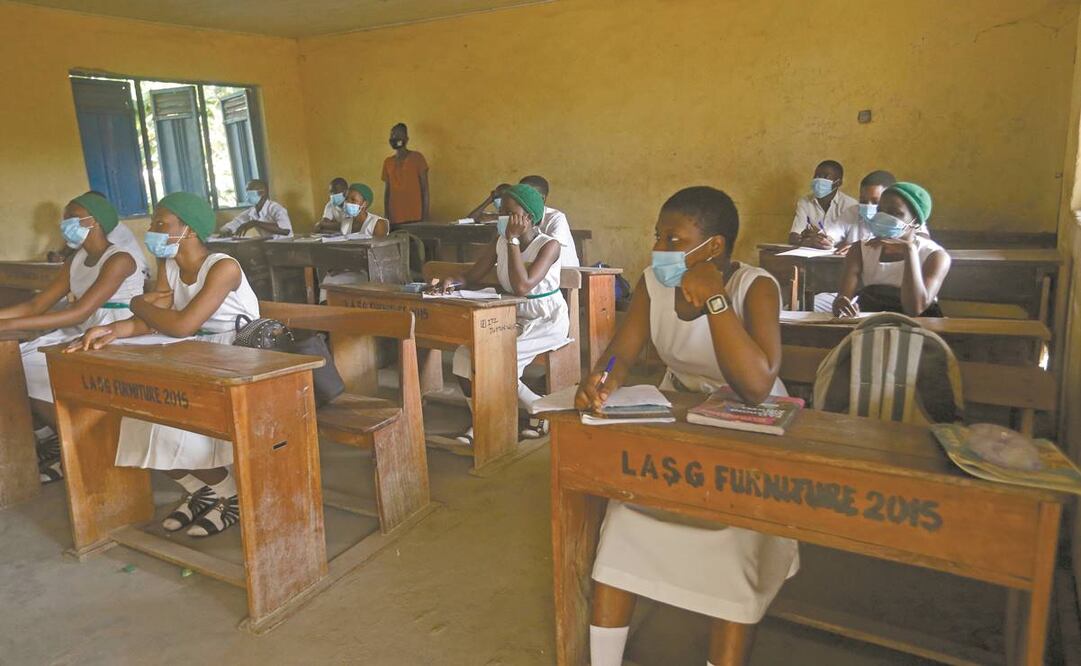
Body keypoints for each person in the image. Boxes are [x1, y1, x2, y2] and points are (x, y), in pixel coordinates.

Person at [575, 186, 797, 666]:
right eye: (657, 235)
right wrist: (601, 379)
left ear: (712, 246)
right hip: (680, 421)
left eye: (673, 238)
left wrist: (715, 300)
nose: (659, 248)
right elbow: (622, 351)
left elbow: (757, 385)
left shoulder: (754, 287)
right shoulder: (654, 283)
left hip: (749, 428)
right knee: (625, 524)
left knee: (733, 544)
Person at [67, 192, 260, 538]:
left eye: (161, 223)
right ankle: (200, 490)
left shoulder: (223, 267)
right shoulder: (170, 266)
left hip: (240, 357)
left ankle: (231, 495)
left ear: (190, 229)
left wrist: (139, 304)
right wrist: (111, 330)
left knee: (174, 423)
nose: (152, 229)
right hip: (195, 352)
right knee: (141, 416)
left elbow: (181, 323)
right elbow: (157, 321)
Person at [0, 193, 144, 482]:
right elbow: (35, 305)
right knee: (21, 360)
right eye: (65, 218)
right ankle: (61, 440)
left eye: (72, 217)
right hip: (84, 327)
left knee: (51, 365)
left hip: (116, 331)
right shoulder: (76, 259)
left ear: (95, 221)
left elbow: (79, 311)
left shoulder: (120, 259)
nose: (65, 224)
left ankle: (82, 447)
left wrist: (7, 325)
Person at [427, 184, 570, 441]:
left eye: (508, 211)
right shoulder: (500, 241)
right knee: (464, 357)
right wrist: (452, 282)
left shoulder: (549, 246)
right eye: (501, 210)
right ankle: (484, 420)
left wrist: (513, 240)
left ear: (527, 217)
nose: (501, 217)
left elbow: (522, 286)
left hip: (545, 319)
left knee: (497, 361)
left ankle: (519, 414)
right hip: (510, 315)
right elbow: (472, 275)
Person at [832, 182, 950, 318]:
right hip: (872, 325)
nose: (883, 217)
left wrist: (909, 251)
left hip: (919, 329)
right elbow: (841, 303)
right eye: (880, 210)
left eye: (895, 213)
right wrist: (843, 306)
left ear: (916, 222)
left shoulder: (935, 255)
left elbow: (915, 309)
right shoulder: (860, 250)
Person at [810, 170, 898, 311]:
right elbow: (831, 234)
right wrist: (824, 240)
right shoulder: (853, 212)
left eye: (875, 201)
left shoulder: (900, 218)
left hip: (888, 295)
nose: (868, 206)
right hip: (852, 290)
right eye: (863, 201)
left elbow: (920, 241)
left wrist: (860, 247)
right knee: (810, 306)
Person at [47, 191, 150, 281]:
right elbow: (71, 247)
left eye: (73, 217)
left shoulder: (115, 231)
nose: (66, 222)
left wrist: (65, 258)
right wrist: (61, 255)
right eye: (66, 218)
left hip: (137, 275)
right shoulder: (85, 234)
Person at [318, 183, 389, 301]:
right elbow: (343, 249)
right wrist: (340, 266)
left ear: (364, 204)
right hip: (350, 268)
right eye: (346, 199)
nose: (348, 202)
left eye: (353, 200)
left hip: (370, 271)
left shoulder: (378, 223)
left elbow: (378, 255)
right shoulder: (346, 222)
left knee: (337, 282)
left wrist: (348, 266)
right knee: (328, 280)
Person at [787, 160, 857, 249]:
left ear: (838, 183)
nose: (819, 180)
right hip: (810, 256)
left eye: (826, 177)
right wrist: (808, 241)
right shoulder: (805, 202)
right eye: (817, 176)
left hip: (840, 258)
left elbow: (854, 244)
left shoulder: (850, 206)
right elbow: (793, 237)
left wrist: (825, 241)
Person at [519, 175, 580, 267]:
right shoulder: (519, 217)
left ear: (542, 199)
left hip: (564, 274)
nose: (521, 200)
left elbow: (550, 251)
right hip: (534, 271)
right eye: (519, 195)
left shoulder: (556, 218)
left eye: (527, 196)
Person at [381, 123, 429, 225]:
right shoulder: (388, 162)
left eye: (398, 135)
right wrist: (386, 215)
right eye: (392, 136)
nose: (395, 138)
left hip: (415, 216)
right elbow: (387, 192)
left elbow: (425, 190)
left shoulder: (417, 158)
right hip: (394, 218)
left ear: (406, 139)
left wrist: (425, 217)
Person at [220, 179, 293, 238]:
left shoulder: (276, 208)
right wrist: (226, 230)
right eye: (247, 192)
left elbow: (286, 231)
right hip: (269, 246)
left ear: (262, 193)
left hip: (285, 245)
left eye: (250, 192)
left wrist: (255, 223)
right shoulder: (251, 211)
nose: (247, 196)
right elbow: (236, 222)